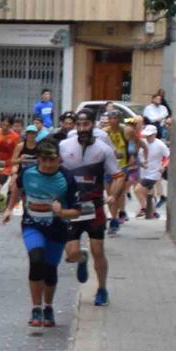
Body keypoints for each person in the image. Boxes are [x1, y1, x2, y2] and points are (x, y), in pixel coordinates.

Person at [1, 133, 73, 329]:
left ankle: (48, 306)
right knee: (36, 260)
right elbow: (17, 188)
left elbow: (77, 210)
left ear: (59, 159)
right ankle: (36, 307)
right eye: (45, 160)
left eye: (53, 160)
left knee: (50, 269)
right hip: (32, 225)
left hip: (57, 228)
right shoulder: (28, 173)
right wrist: (9, 208)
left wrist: (63, 211)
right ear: (38, 159)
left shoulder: (67, 177)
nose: (49, 164)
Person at [58, 108, 120, 306]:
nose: (82, 128)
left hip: (94, 207)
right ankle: (81, 259)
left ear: (93, 125)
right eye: (79, 125)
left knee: (98, 250)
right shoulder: (64, 145)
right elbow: (53, 169)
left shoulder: (104, 149)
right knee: (71, 253)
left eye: (86, 124)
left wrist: (113, 195)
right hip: (72, 207)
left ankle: (102, 289)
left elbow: (118, 176)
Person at [136, 122, 171, 220]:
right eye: (146, 135)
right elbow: (138, 155)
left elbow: (168, 156)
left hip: (154, 173)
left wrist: (163, 166)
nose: (147, 137)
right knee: (147, 193)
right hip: (143, 172)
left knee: (137, 190)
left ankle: (144, 208)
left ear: (155, 135)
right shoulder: (143, 142)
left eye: (150, 136)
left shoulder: (160, 144)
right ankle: (154, 213)